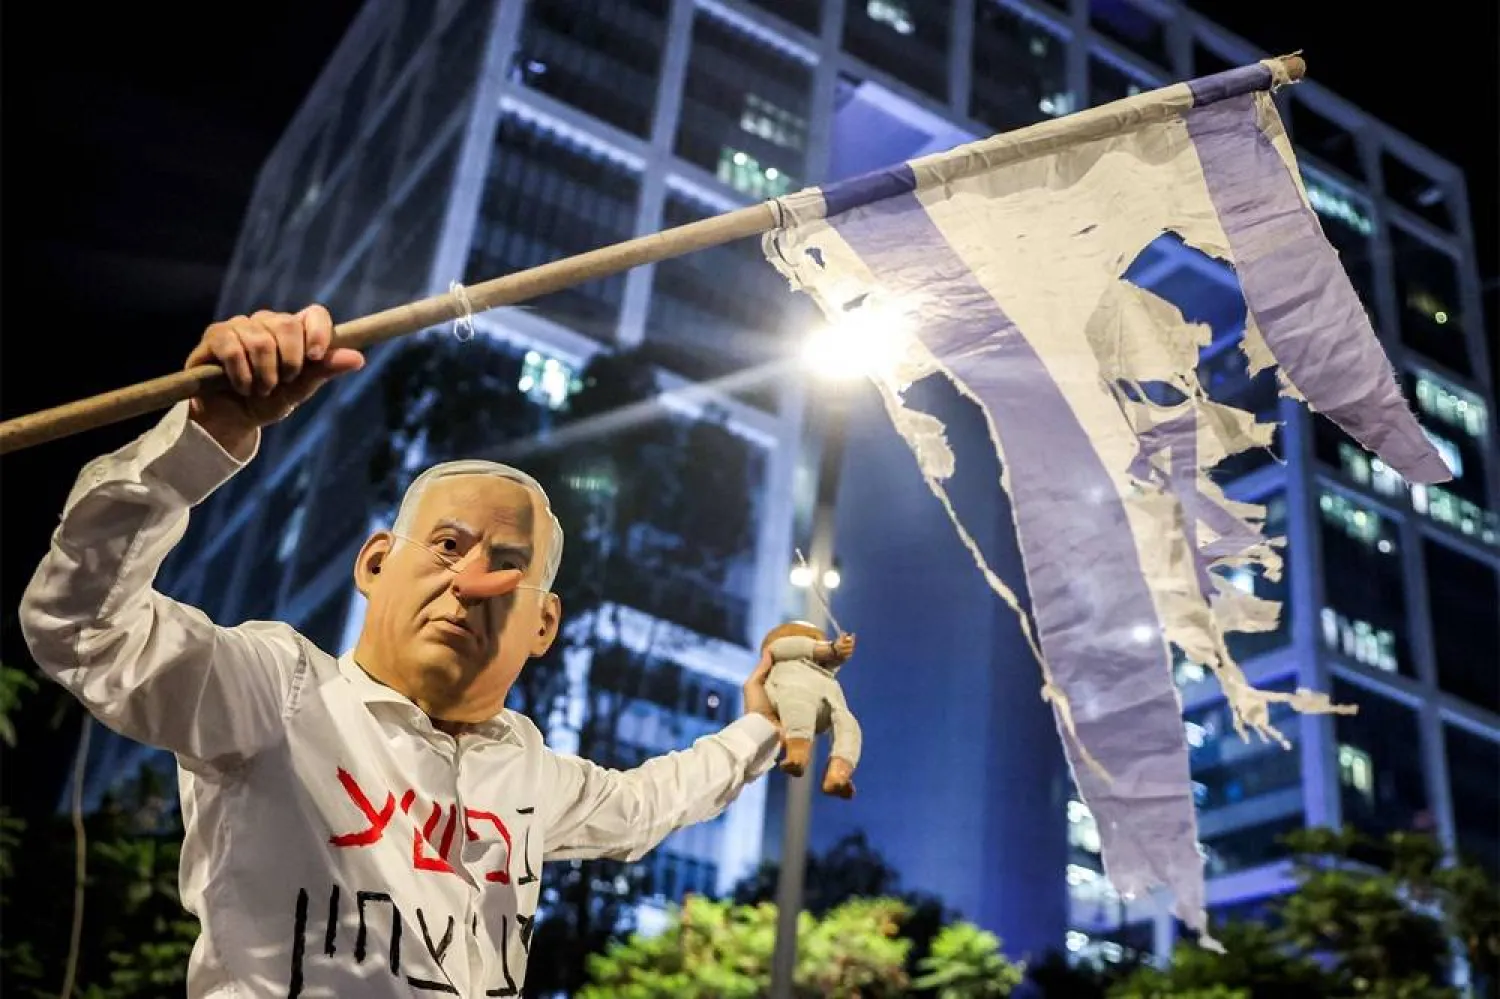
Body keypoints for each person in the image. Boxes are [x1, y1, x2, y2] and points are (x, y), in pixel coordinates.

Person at [19, 306, 792, 998]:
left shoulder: (526, 771)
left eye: (507, 568)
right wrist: (204, 439)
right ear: (376, 562)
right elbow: (84, 625)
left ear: (544, 624)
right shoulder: (276, 692)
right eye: (448, 545)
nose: (469, 582)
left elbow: (645, 804)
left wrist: (758, 725)